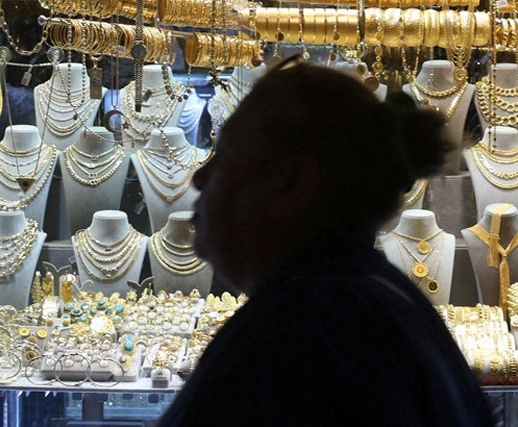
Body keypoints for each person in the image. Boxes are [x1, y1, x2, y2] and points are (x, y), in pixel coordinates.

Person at [158, 59, 492, 427]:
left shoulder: (300, 334)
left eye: (225, 157)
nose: (199, 178)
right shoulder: (369, 304)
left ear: (293, 182)